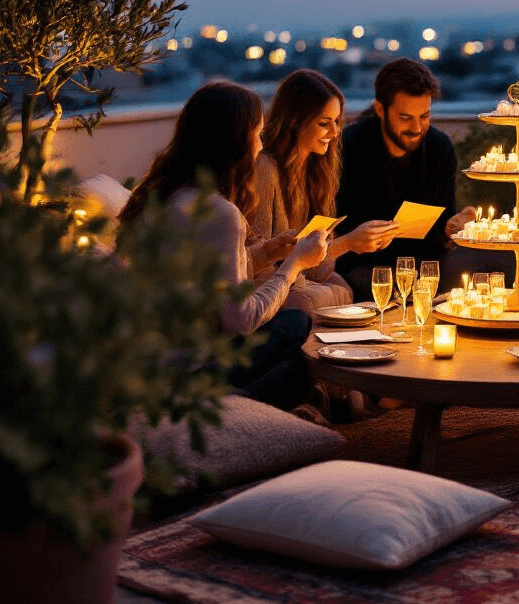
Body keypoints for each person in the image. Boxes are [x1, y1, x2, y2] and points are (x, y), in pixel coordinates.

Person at [119, 81, 330, 411]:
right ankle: (230, 407)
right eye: (258, 134)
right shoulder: (219, 212)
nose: (261, 146)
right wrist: (294, 266)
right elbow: (240, 320)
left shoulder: (160, 193)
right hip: (190, 369)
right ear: (235, 142)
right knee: (297, 326)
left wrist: (267, 253)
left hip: (146, 365)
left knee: (295, 353)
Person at [247, 69, 397, 318]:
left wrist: (348, 244)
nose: (335, 132)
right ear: (294, 121)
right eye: (323, 123)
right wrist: (348, 242)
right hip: (271, 289)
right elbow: (258, 268)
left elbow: (318, 271)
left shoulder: (316, 172)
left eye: (337, 122)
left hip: (300, 282)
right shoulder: (265, 168)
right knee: (308, 301)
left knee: (343, 288)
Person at [336, 58, 489, 299]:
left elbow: (444, 222)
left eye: (424, 116)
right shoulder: (348, 149)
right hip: (364, 267)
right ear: (380, 109)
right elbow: (338, 229)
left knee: (486, 261)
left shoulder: (439, 148)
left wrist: (458, 224)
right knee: (361, 280)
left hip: (426, 265)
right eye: (406, 118)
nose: (417, 128)